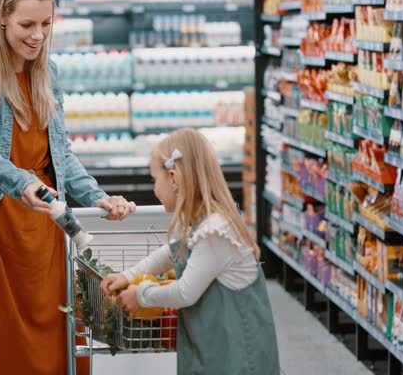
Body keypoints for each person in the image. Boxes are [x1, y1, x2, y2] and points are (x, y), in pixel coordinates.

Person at [0, 0, 136, 374]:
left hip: (48, 225)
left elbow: (61, 152)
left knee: (60, 333)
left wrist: (95, 196)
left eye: (47, 24)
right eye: (27, 24)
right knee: (0, 341)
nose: (38, 35)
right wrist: (21, 182)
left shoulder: (47, 72)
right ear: (3, 17)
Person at [100, 129, 280, 374]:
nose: (154, 189)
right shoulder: (200, 224)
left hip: (239, 356)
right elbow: (169, 253)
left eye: (155, 180)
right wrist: (128, 275)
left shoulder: (216, 232)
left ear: (173, 178)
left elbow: (185, 293)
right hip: (217, 346)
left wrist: (140, 294)